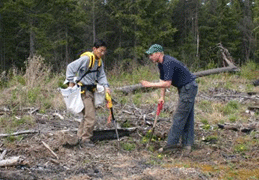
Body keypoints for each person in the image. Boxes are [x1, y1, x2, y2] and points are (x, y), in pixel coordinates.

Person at [141, 44, 198, 154]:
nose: (150, 57)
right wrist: (162, 97)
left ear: (159, 53)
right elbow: (163, 81)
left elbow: (167, 84)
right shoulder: (161, 64)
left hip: (188, 87)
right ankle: (187, 145)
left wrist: (149, 84)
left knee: (179, 116)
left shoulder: (168, 63)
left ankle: (171, 145)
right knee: (187, 116)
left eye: (151, 55)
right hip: (185, 88)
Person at [65, 40, 110, 147]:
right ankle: (85, 140)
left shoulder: (99, 62)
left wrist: (106, 86)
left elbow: (101, 75)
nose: (102, 53)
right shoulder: (86, 59)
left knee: (86, 116)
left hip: (91, 91)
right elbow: (70, 67)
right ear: (94, 49)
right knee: (91, 117)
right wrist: (70, 83)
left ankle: (79, 137)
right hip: (83, 91)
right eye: (101, 51)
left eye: (104, 51)